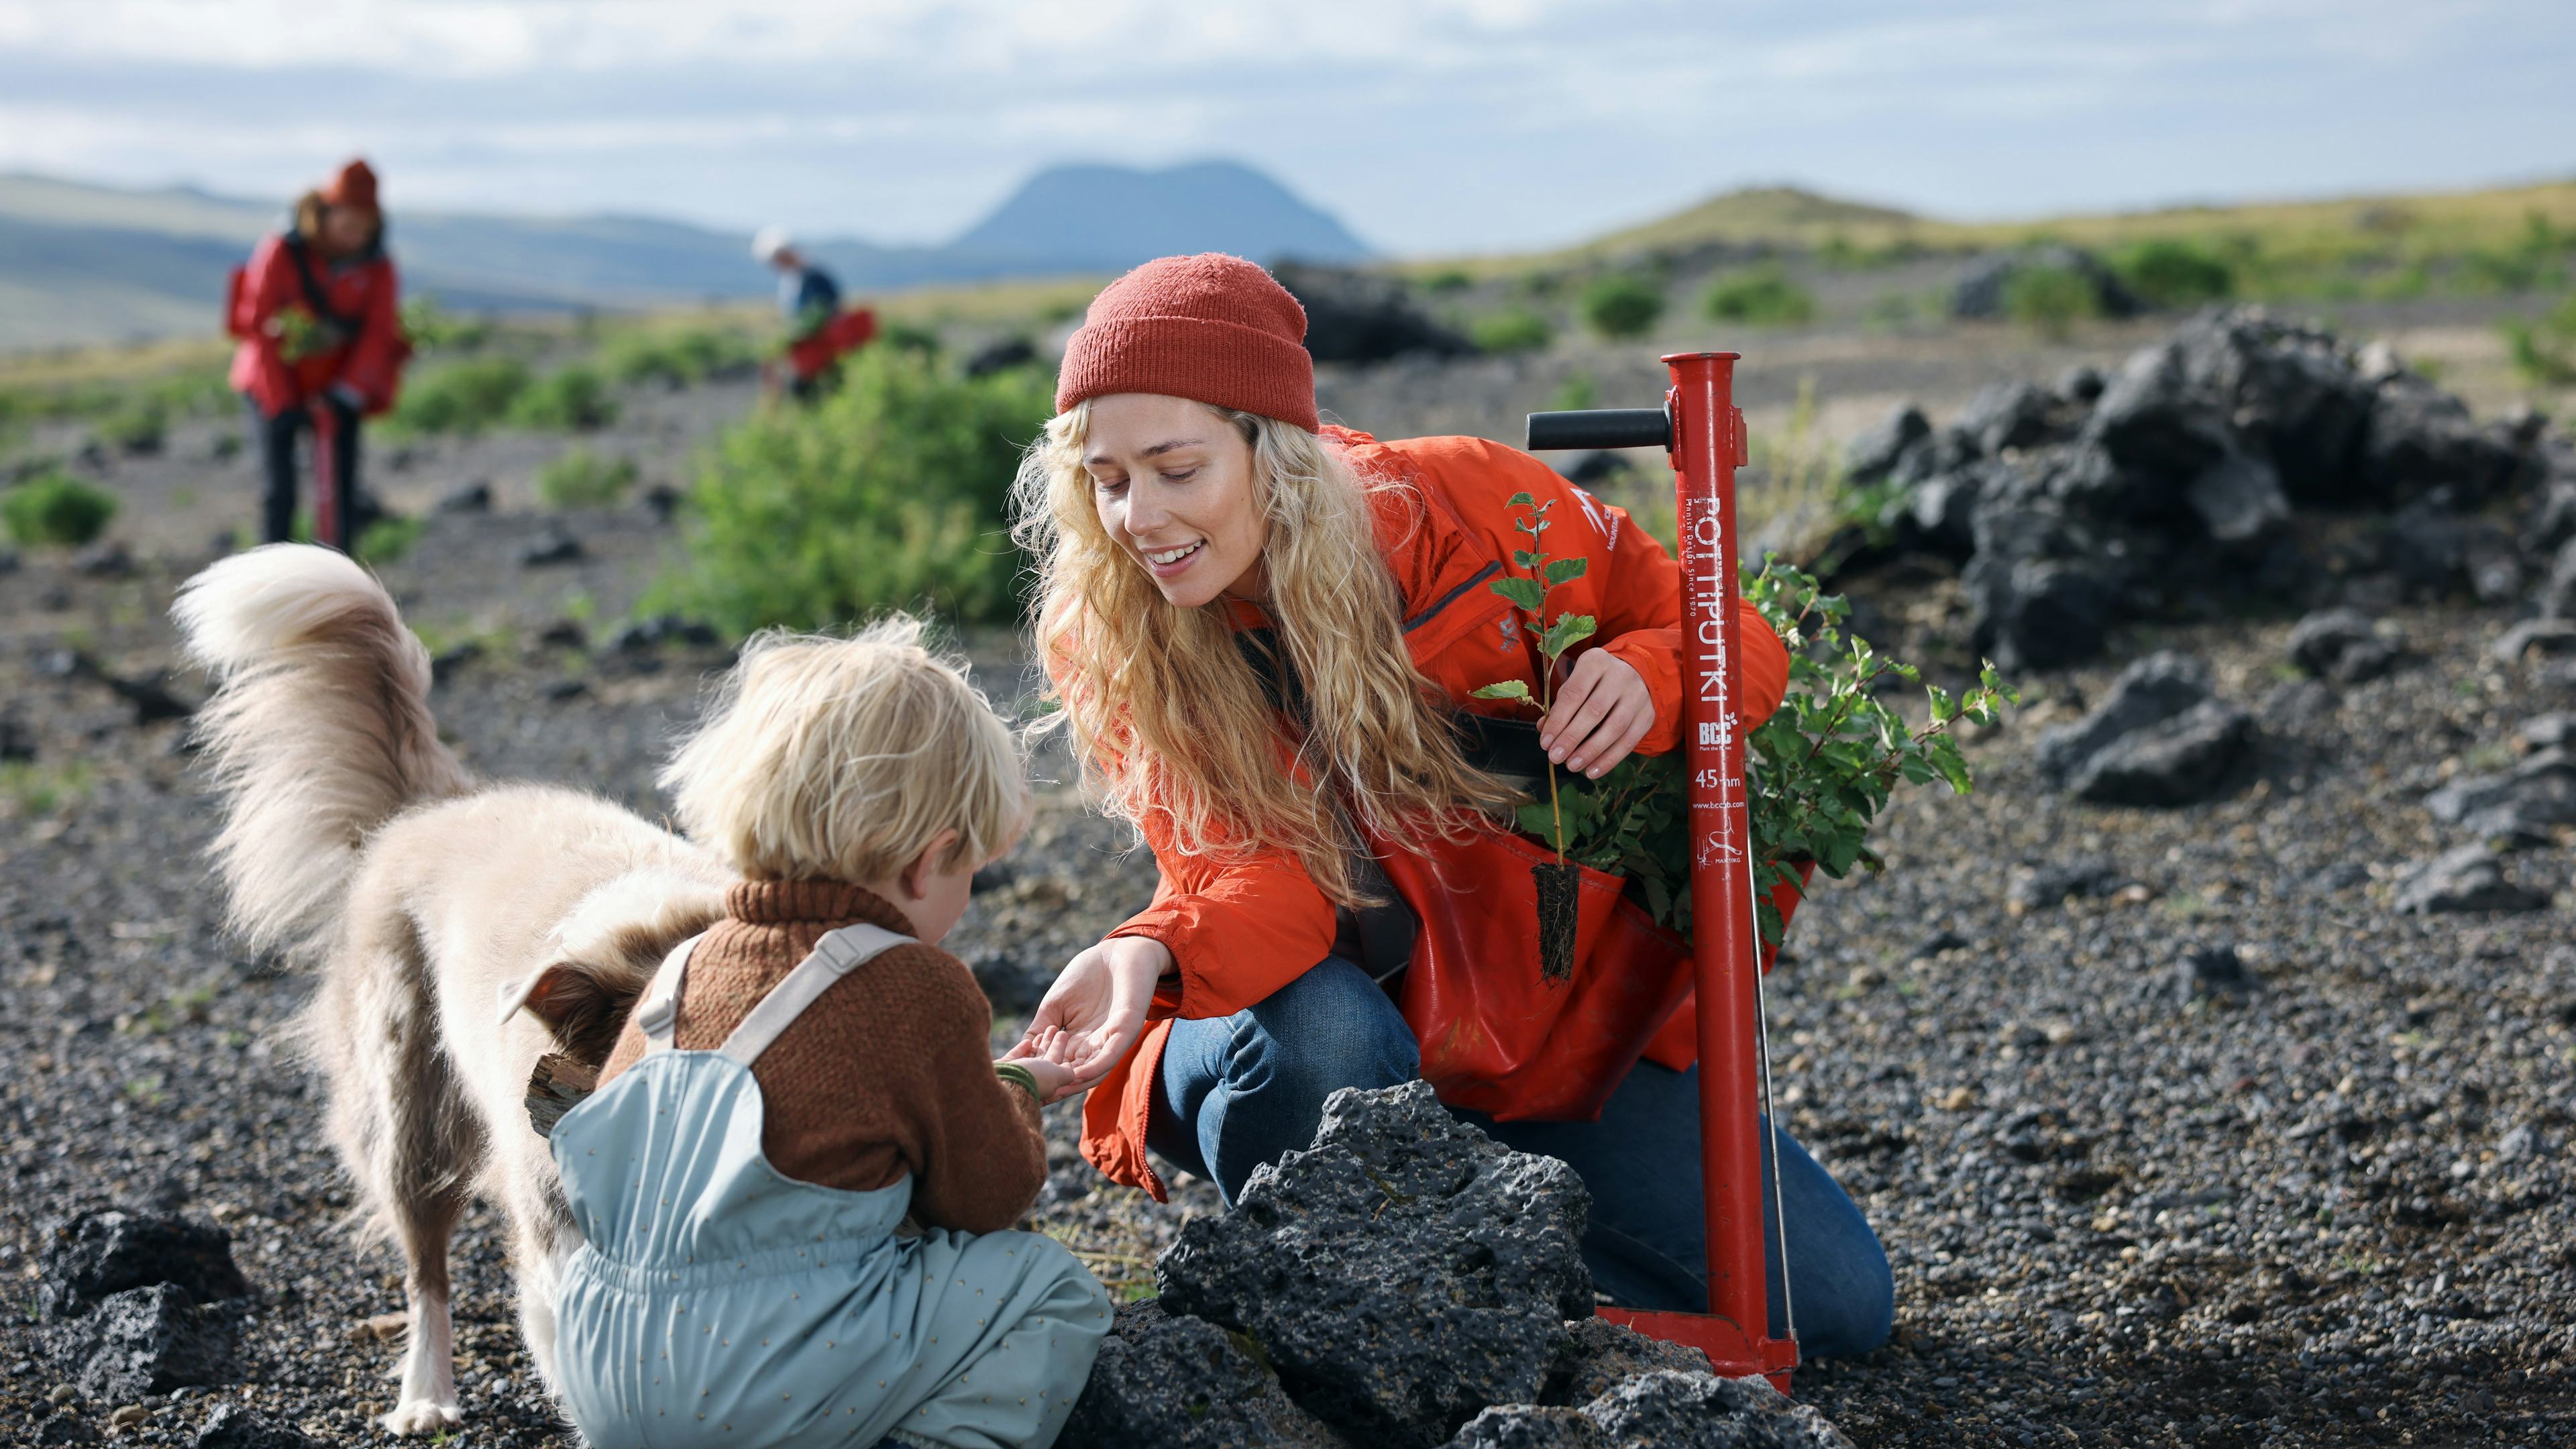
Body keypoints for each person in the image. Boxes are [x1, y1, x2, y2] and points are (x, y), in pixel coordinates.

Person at [1005, 254, 1894, 1361]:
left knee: (1838, 1307)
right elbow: (1263, 882)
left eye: (1177, 468)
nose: (1139, 518)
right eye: (1107, 479)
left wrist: (1656, 673)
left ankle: (1462, 1278)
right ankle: (1337, 1308)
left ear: (1274, 450)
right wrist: (1147, 953)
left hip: (1542, 1047)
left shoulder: (1476, 510)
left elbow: (1734, 635)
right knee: (1330, 1031)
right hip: (1290, 1024)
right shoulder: (1112, 632)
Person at [548, 619, 1110, 1447]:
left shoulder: (680, 971)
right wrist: (1018, 1087)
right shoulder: (913, 986)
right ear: (927, 862)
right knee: (1048, 1289)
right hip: (760, 1376)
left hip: (603, 1362)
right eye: (971, 870)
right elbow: (988, 1197)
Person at [225, 158, 409, 550]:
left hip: (339, 386)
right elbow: (259, 326)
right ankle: (272, 575)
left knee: (340, 491)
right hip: (272, 383)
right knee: (279, 490)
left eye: (364, 227)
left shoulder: (379, 266)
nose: (355, 236)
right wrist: (282, 402)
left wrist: (348, 391)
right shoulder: (282, 250)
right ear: (325, 214)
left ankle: (338, 574)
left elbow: (379, 334)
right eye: (348, 224)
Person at [753, 225, 875, 400]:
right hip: (808, 348)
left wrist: (804, 328)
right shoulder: (792, 280)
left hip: (824, 346)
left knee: (816, 387)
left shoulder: (814, 277)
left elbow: (827, 307)